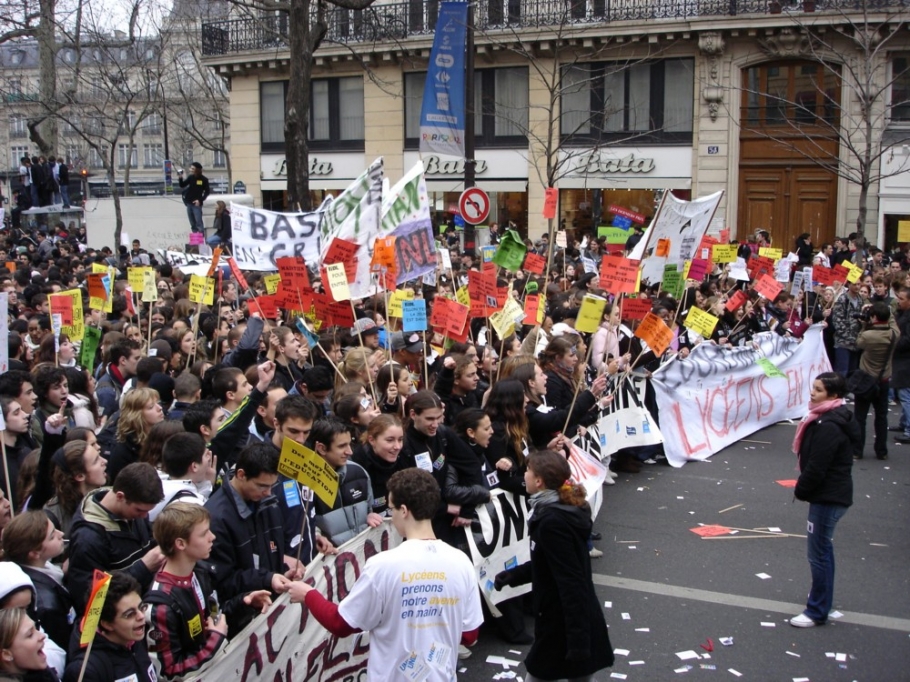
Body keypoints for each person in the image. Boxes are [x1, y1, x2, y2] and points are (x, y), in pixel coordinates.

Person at [286, 468, 483, 682]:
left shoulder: (382, 565)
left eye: (391, 509)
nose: (391, 515)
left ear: (404, 510)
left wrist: (308, 594)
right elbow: (470, 636)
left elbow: (340, 624)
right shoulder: (461, 562)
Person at [493, 450, 614, 681]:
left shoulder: (552, 522)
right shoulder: (557, 511)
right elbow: (549, 562)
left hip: (563, 624)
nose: (524, 475)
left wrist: (578, 640)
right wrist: (513, 575)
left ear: (539, 481)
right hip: (569, 621)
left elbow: (571, 582)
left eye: (527, 471)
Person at [145, 503, 271, 678]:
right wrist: (215, 641)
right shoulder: (160, 606)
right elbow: (167, 673)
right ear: (180, 543)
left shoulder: (200, 572)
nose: (212, 537)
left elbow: (214, 617)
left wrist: (244, 602)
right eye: (204, 534)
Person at [789, 372, 859, 628]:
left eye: (818, 390)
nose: (812, 393)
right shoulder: (828, 418)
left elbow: (818, 466)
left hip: (828, 496)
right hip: (832, 494)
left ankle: (817, 610)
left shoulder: (828, 425)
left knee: (818, 554)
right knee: (823, 551)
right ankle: (824, 604)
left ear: (833, 395)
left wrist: (801, 489)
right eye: (813, 388)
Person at [66, 463, 165, 614]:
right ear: (120, 496)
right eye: (139, 510)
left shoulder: (131, 510)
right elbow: (91, 598)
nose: (144, 516)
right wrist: (143, 568)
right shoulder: (88, 538)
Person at [1, 511, 74, 651]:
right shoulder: (45, 603)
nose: (61, 534)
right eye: (52, 536)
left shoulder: (47, 568)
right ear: (35, 553)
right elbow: (62, 643)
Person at [64, 572, 156, 682]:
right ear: (107, 624)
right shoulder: (87, 671)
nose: (141, 616)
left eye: (141, 607)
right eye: (130, 614)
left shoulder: (134, 638)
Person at [308, 418, 383, 546]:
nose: (350, 451)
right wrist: (316, 537)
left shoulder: (358, 472)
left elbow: (369, 508)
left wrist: (369, 516)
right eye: (342, 446)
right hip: (329, 560)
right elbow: (305, 525)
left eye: (350, 444)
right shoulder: (306, 482)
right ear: (321, 448)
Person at [852, 302, 898, 460]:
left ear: (874, 318)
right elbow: (893, 324)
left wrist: (865, 326)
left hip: (866, 379)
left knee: (860, 417)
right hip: (883, 379)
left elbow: (858, 343)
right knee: (881, 416)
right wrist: (888, 312)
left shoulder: (868, 336)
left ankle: (857, 451)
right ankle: (881, 451)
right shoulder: (893, 335)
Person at [0, 608, 55, 682]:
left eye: (36, 629)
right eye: (30, 635)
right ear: (7, 654)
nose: (42, 636)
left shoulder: (42, 674)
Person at [178, 162, 210, 234]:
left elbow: (207, 192)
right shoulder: (191, 177)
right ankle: (195, 241)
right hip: (189, 203)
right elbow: (182, 185)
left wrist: (200, 200)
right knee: (192, 223)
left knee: (199, 223)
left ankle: (201, 241)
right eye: (191, 168)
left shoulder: (204, 180)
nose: (191, 170)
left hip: (197, 204)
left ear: (197, 170)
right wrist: (180, 178)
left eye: (193, 168)